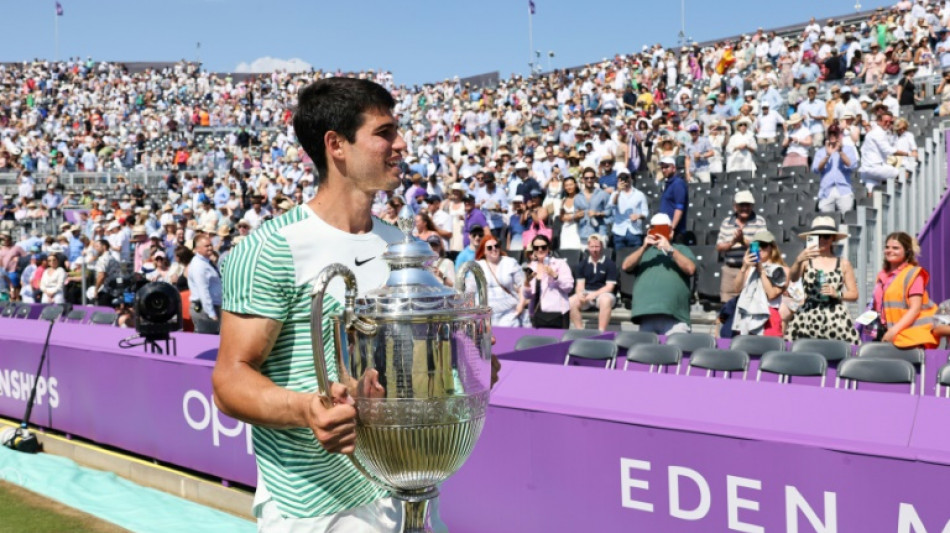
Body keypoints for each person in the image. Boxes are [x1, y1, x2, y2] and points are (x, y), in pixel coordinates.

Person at [214, 78, 410, 531]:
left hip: (405, 489)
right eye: (384, 133)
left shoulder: (401, 245)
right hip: (314, 508)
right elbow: (229, 380)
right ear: (336, 145)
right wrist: (308, 410)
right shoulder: (272, 248)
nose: (400, 144)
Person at [785, 216, 860, 344]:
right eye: (818, 236)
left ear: (833, 239)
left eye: (826, 236)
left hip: (836, 317)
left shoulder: (843, 263)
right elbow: (793, 278)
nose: (822, 240)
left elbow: (854, 294)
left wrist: (837, 293)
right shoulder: (805, 261)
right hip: (807, 316)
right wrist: (798, 260)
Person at [621, 213, 697, 335]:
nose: (659, 233)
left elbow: (690, 269)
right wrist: (644, 247)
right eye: (655, 229)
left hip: (674, 316)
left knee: (675, 352)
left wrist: (670, 249)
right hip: (646, 315)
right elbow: (626, 266)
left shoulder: (681, 249)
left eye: (663, 229)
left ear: (671, 232)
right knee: (648, 353)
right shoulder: (643, 252)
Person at [871, 232, 938, 348]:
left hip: (908, 337)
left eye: (895, 248)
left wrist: (893, 331)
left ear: (907, 251)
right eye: (887, 247)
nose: (889, 251)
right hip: (886, 333)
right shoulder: (882, 275)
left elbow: (915, 309)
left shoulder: (913, 274)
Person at [732, 230, 788, 336]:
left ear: (772, 247)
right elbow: (736, 289)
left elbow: (772, 294)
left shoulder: (781, 270)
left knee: (770, 351)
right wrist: (744, 267)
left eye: (764, 245)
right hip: (749, 315)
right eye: (757, 245)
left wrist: (761, 270)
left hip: (769, 317)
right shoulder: (748, 268)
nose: (760, 249)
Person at [716, 190, 768, 303]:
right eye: (741, 205)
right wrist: (732, 243)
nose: (745, 208)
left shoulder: (759, 221)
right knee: (727, 306)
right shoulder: (726, 222)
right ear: (735, 206)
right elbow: (719, 246)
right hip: (730, 270)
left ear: (752, 206)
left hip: (751, 269)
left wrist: (743, 241)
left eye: (748, 205)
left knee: (750, 303)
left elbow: (763, 245)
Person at [522, 234, 573, 329]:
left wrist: (555, 275)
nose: (540, 250)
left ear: (548, 248)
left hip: (557, 314)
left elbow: (569, 287)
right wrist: (527, 283)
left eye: (543, 247)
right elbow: (527, 296)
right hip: (537, 314)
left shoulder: (560, 263)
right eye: (536, 248)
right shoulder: (531, 267)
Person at [568, 234, 618, 331]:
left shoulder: (610, 264)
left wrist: (594, 295)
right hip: (587, 293)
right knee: (570, 301)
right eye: (592, 247)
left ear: (602, 247)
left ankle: (601, 331)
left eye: (597, 246)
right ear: (588, 247)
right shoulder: (582, 265)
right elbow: (580, 285)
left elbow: (609, 287)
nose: (594, 250)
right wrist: (580, 294)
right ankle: (580, 331)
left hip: (604, 294)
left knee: (605, 300)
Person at [476, 233, 525, 327]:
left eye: (496, 246)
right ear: (484, 251)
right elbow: (470, 290)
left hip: (509, 314)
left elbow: (522, 285)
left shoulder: (510, 262)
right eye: (489, 247)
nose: (494, 249)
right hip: (485, 316)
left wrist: (521, 304)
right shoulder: (478, 266)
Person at [859, 110, 910, 193]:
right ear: (879, 122)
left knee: (872, 192)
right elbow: (888, 150)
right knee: (903, 173)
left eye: (890, 122)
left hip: (866, 170)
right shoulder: (878, 132)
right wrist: (908, 154)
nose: (888, 123)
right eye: (886, 121)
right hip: (874, 168)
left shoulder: (876, 132)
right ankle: (901, 195)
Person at [813, 122, 859, 213]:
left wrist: (841, 152)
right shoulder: (821, 152)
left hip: (844, 190)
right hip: (826, 190)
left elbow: (853, 165)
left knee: (846, 218)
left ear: (840, 135)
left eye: (835, 133)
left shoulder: (848, 149)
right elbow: (816, 169)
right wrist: (827, 156)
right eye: (831, 133)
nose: (833, 136)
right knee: (826, 219)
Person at [188, 234, 222, 334]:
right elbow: (203, 290)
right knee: (207, 340)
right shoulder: (199, 265)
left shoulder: (206, 262)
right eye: (206, 246)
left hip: (210, 307)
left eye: (210, 245)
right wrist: (211, 313)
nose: (210, 247)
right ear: (197, 249)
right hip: (205, 309)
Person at [610, 170, 649, 249]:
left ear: (630, 178)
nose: (624, 180)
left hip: (634, 231)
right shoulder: (615, 194)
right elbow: (612, 205)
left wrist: (638, 216)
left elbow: (646, 213)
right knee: (620, 258)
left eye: (626, 177)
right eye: (621, 178)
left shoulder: (639, 194)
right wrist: (618, 191)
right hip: (619, 231)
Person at [657, 156, 689, 243]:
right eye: (662, 167)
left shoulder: (678, 184)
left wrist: (672, 228)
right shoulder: (667, 184)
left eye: (666, 167)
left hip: (675, 231)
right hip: (665, 229)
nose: (663, 170)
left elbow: (679, 208)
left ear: (674, 168)